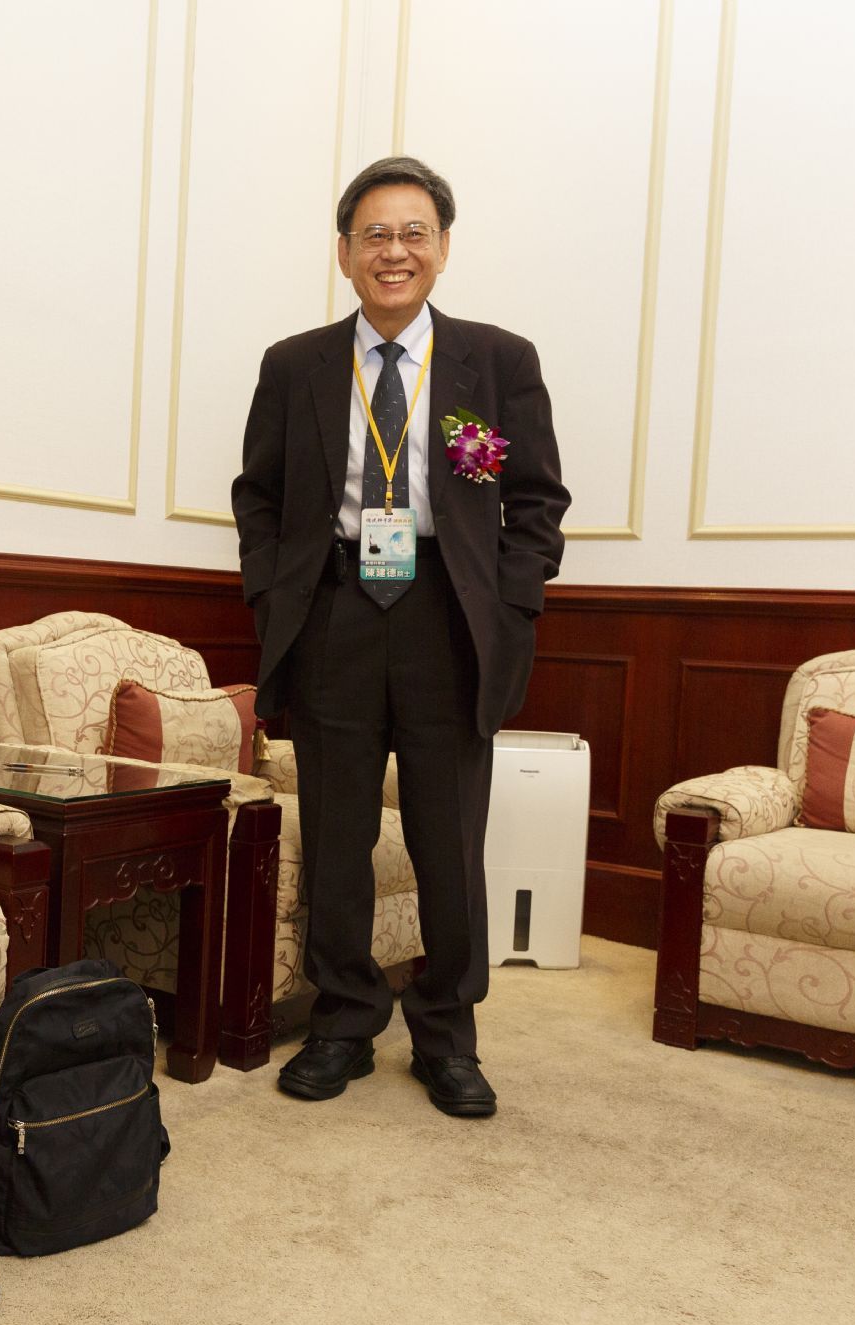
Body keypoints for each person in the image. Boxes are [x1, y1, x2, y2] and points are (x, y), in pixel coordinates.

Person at [231, 157, 570, 1116]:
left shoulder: (497, 362)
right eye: (374, 234)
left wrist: (509, 607)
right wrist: (274, 598)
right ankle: (343, 1020)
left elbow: (536, 501)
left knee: (448, 840)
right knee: (337, 836)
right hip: (335, 611)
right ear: (344, 253)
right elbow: (259, 497)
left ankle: (447, 1035)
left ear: (443, 248)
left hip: (447, 619)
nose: (395, 251)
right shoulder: (294, 364)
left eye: (414, 233)